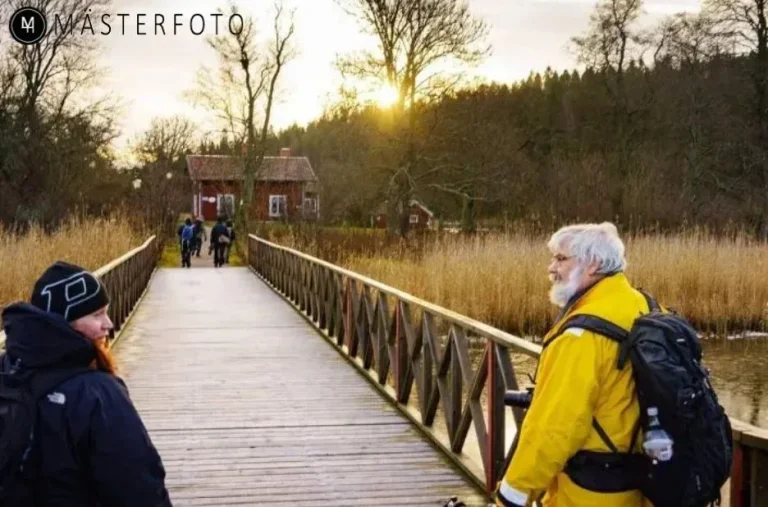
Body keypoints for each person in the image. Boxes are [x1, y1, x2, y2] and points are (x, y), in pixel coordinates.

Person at [495, 223, 647, 507]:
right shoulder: (642, 305)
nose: (551, 268)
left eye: (561, 259)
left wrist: (511, 496)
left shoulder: (582, 336)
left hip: (590, 493)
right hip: (642, 488)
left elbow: (553, 428)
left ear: (594, 264)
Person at [0, 261, 172, 506]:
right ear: (63, 322)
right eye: (97, 314)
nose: (108, 324)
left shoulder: (7, 370)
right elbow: (137, 485)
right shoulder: (97, 393)